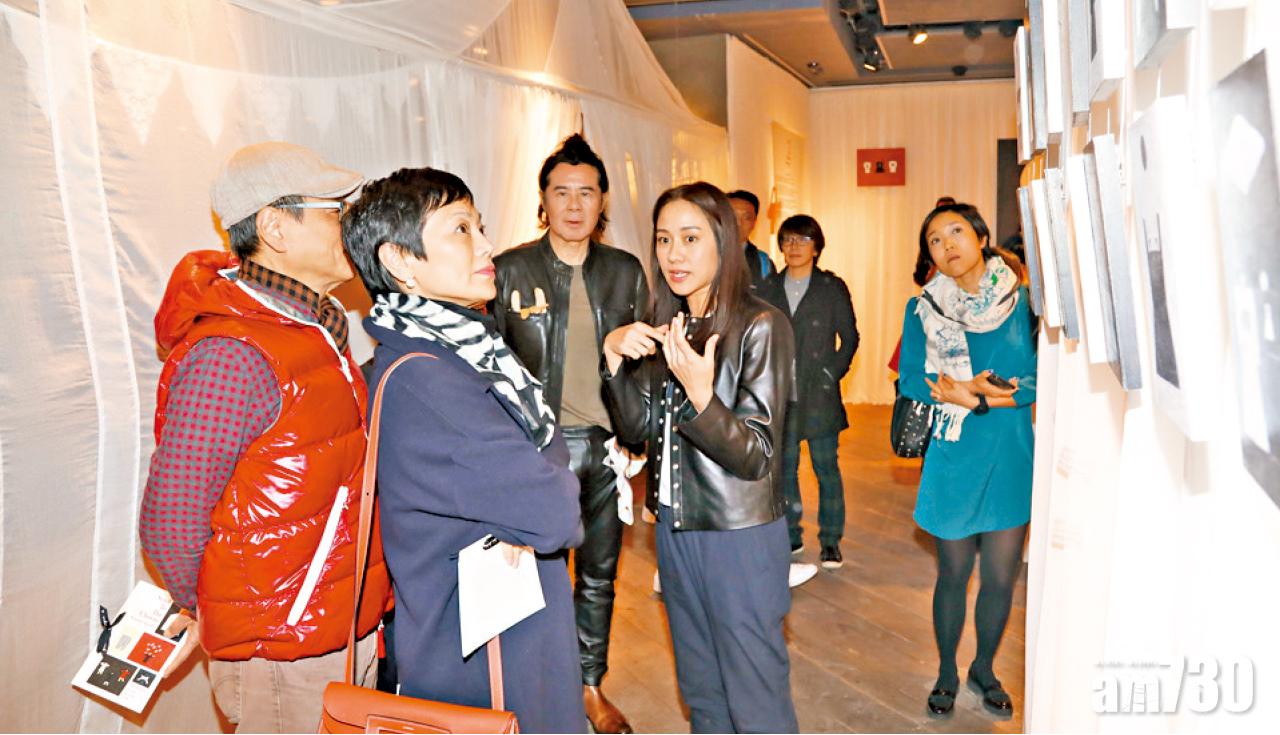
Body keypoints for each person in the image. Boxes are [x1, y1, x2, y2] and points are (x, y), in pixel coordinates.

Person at [140, 141, 392, 733]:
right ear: (276, 227)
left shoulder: (316, 327)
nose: (348, 224)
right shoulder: (231, 355)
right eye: (335, 210)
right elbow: (172, 518)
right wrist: (231, 611)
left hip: (338, 624)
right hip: (282, 649)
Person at [344, 167, 586, 733]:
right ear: (400, 261)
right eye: (460, 229)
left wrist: (533, 491)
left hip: (502, 634)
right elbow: (555, 512)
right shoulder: (428, 381)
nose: (485, 244)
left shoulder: (463, 349)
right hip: (484, 659)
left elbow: (544, 471)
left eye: (479, 227)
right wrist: (540, 490)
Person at [602, 182, 798, 733]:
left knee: (755, 698)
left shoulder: (761, 325)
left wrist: (702, 396)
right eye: (664, 239)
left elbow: (757, 455)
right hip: (675, 529)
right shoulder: (671, 327)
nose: (674, 254)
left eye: (690, 238)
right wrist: (612, 359)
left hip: (738, 536)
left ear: (724, 242)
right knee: (702, 692)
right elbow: (637, 429)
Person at [489, 133, 646, 734]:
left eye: (586, 192)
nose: (574, 205)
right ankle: (536, 686)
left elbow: (647, 364)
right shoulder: (509, 270)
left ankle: (588, 686)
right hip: (537, 453)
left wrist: (638, 438)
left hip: (606, 451)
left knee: (599, 577)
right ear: (544, 199)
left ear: (603, 200)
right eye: (562, 192)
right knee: (532, 577)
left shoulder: (625, 272)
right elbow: (487, 363)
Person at [897, 202, 1036, 719]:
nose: (947, 244)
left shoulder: (1023, 301)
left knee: (1000, 578)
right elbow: (912, 380)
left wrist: (976, 397)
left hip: (1009, 452)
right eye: (935, 240)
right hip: (953, 453)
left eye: (956, 231)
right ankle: (946, 672)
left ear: (980, 237)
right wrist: (959, 390)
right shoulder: (922, 309)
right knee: (953, 574)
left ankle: (983, 668)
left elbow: (1038, 379)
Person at [760, 215, 859, 570]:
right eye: (788, 239)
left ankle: (831, 540)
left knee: (826, 467)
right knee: (785, 468)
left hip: (819, 392)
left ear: (816, 247)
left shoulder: (831, 287)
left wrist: (831, 373)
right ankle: (791, 535)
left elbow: (850, 338)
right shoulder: (768, 288)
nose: (794, 246)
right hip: (779, 394)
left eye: (803, 240)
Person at [727, 189, 777, 291]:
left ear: (754, 223)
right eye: (733, 216)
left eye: (746, 217)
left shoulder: (763, 262)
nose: (738, 223)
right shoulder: (703, 254)